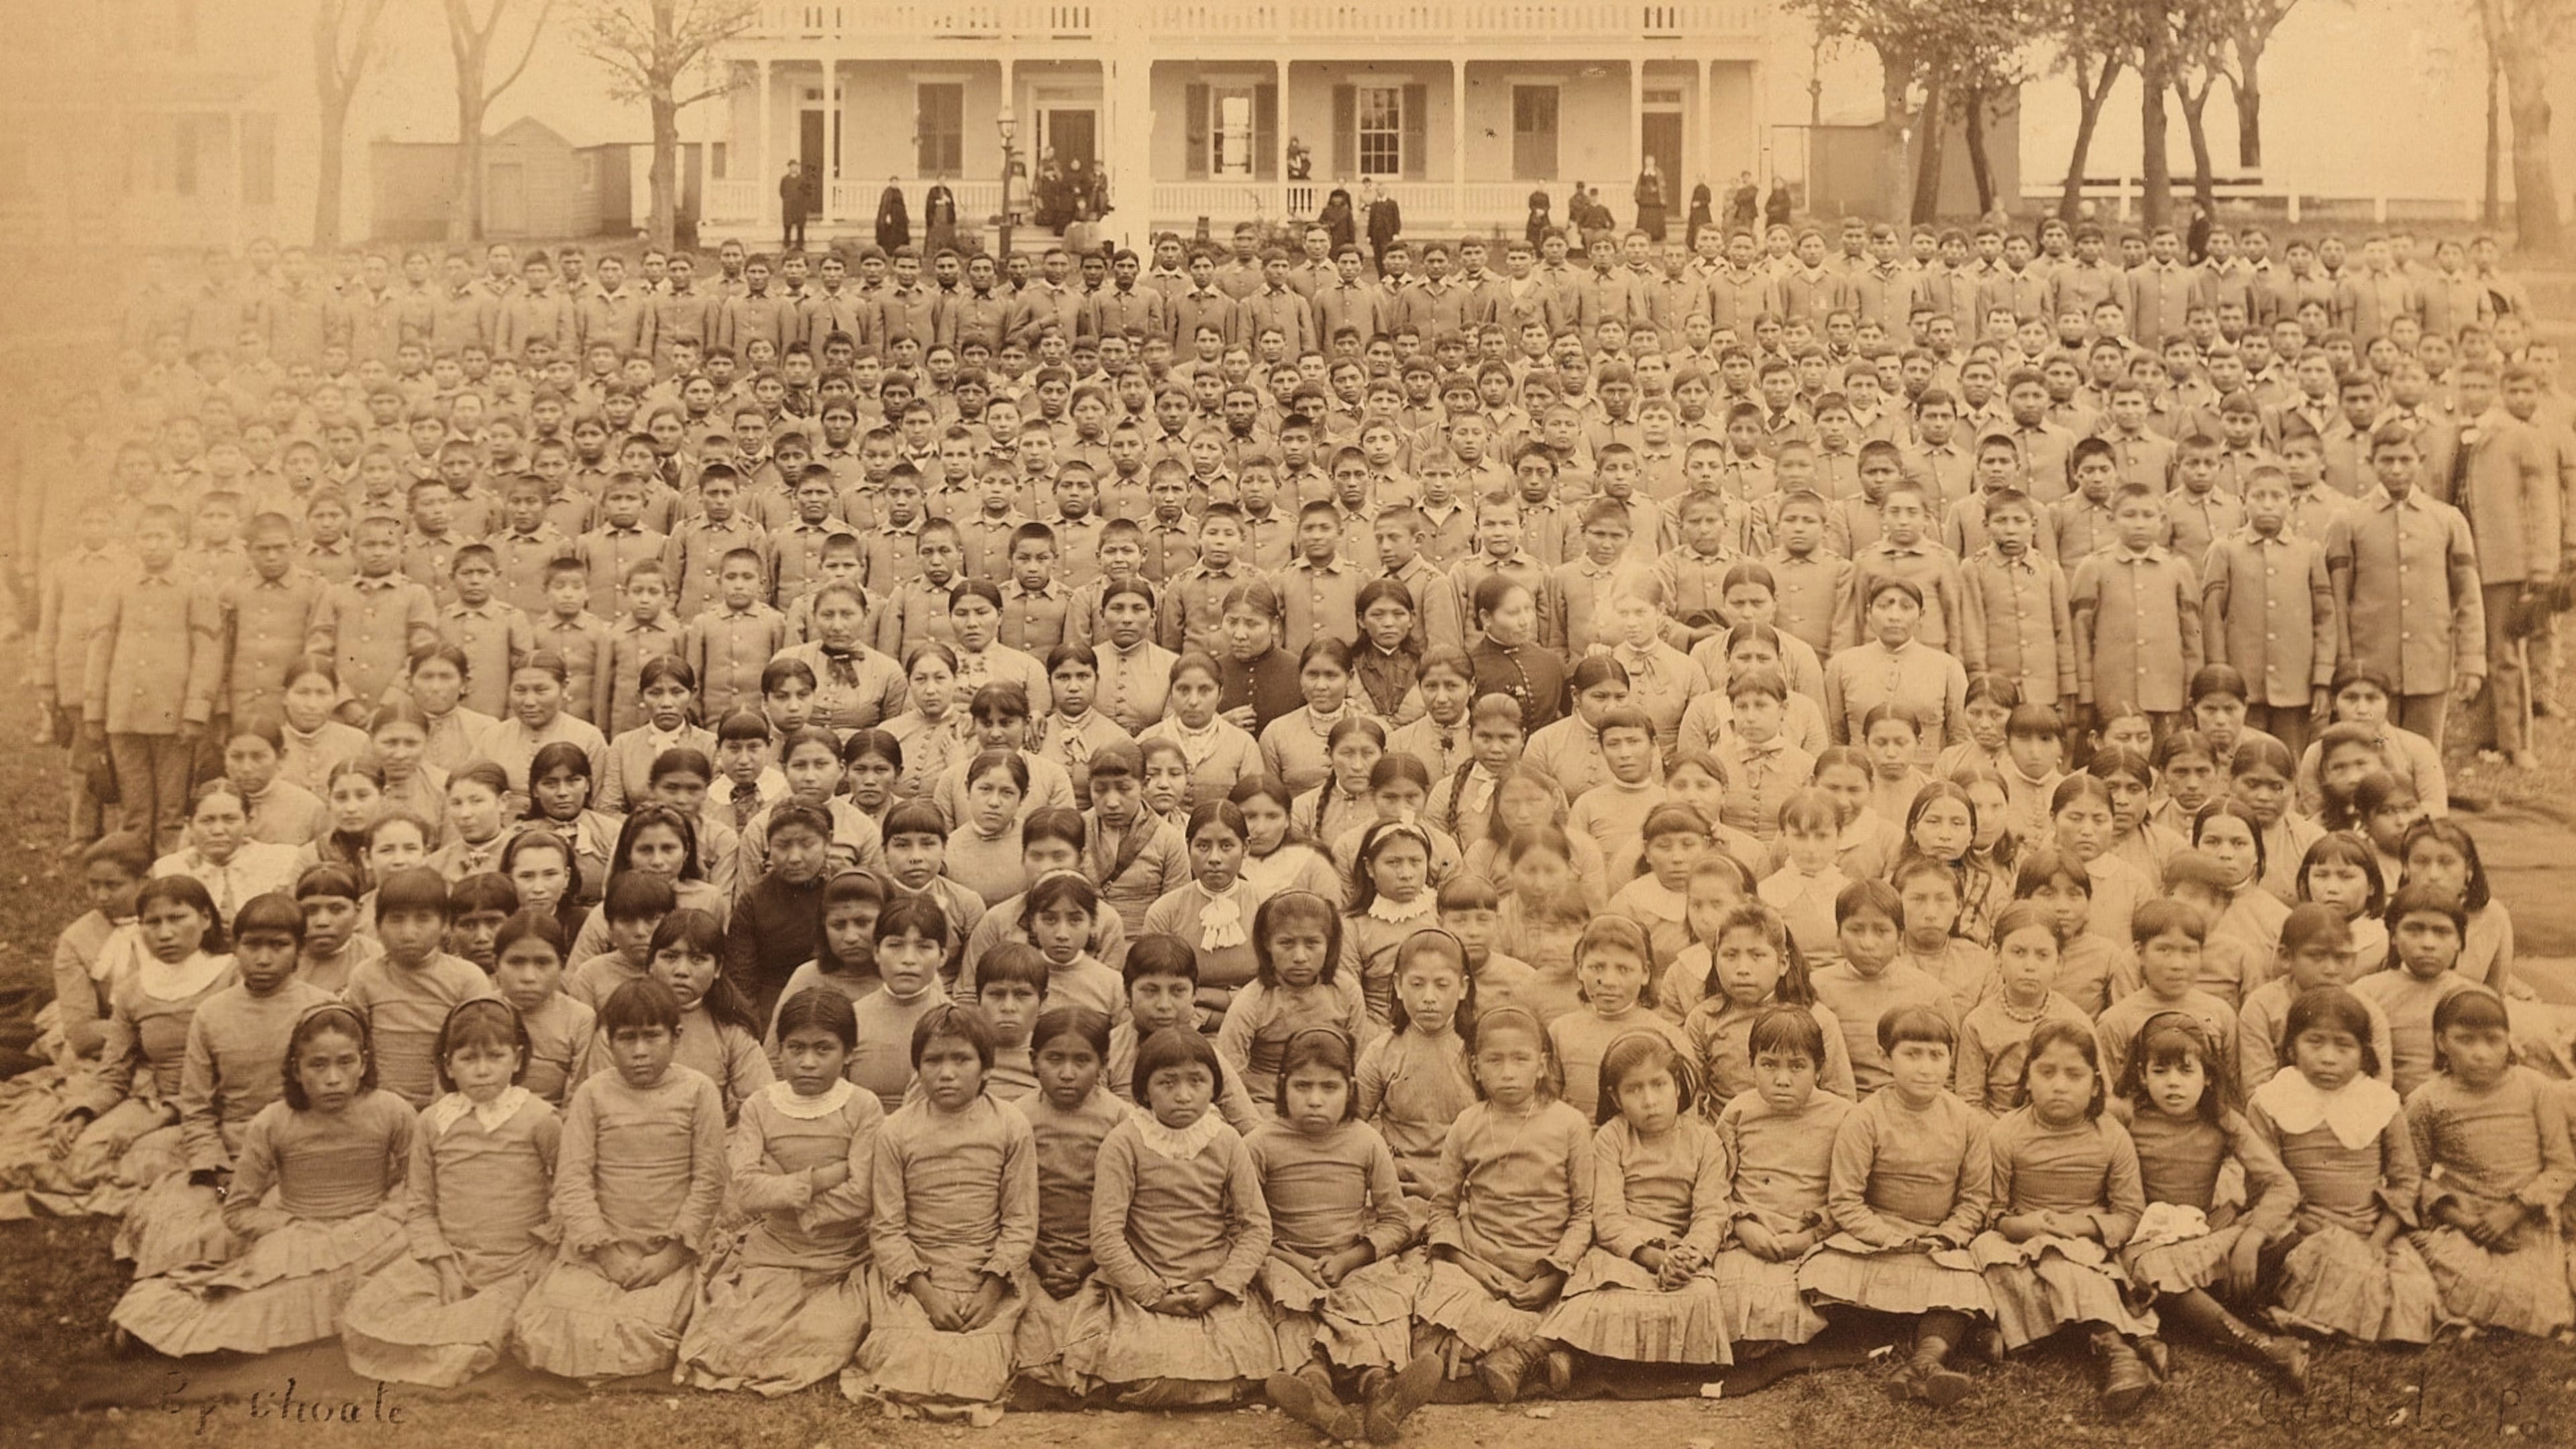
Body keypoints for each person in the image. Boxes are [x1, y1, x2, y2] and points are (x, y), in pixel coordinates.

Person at [342, 997, 564, 1387]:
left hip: (519, 1265)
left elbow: (567, 1191)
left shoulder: (540, 1119)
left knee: (473, 1340)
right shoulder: (432, 1123)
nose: (482, 1071)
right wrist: (443, 1264)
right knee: (368, 1313)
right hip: (454, 1259)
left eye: (495, 1057)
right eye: (468, 1059)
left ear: (516, 1059)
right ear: (448, 1065)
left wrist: (541, 1259)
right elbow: (421, 1205)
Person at [1633, 156, 1667, 244]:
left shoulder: (1658, 173)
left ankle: (1656, 236)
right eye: (1647, 161)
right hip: (1645, 199)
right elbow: (1640, 185)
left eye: (1651, 161)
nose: (1649, 163)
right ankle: (1644, 234)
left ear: (1654, 162)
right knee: (1645, 216)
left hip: (1655, 200)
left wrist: (1655, 190)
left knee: (1655, 217)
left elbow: (1662, 185)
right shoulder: (1643, 173)